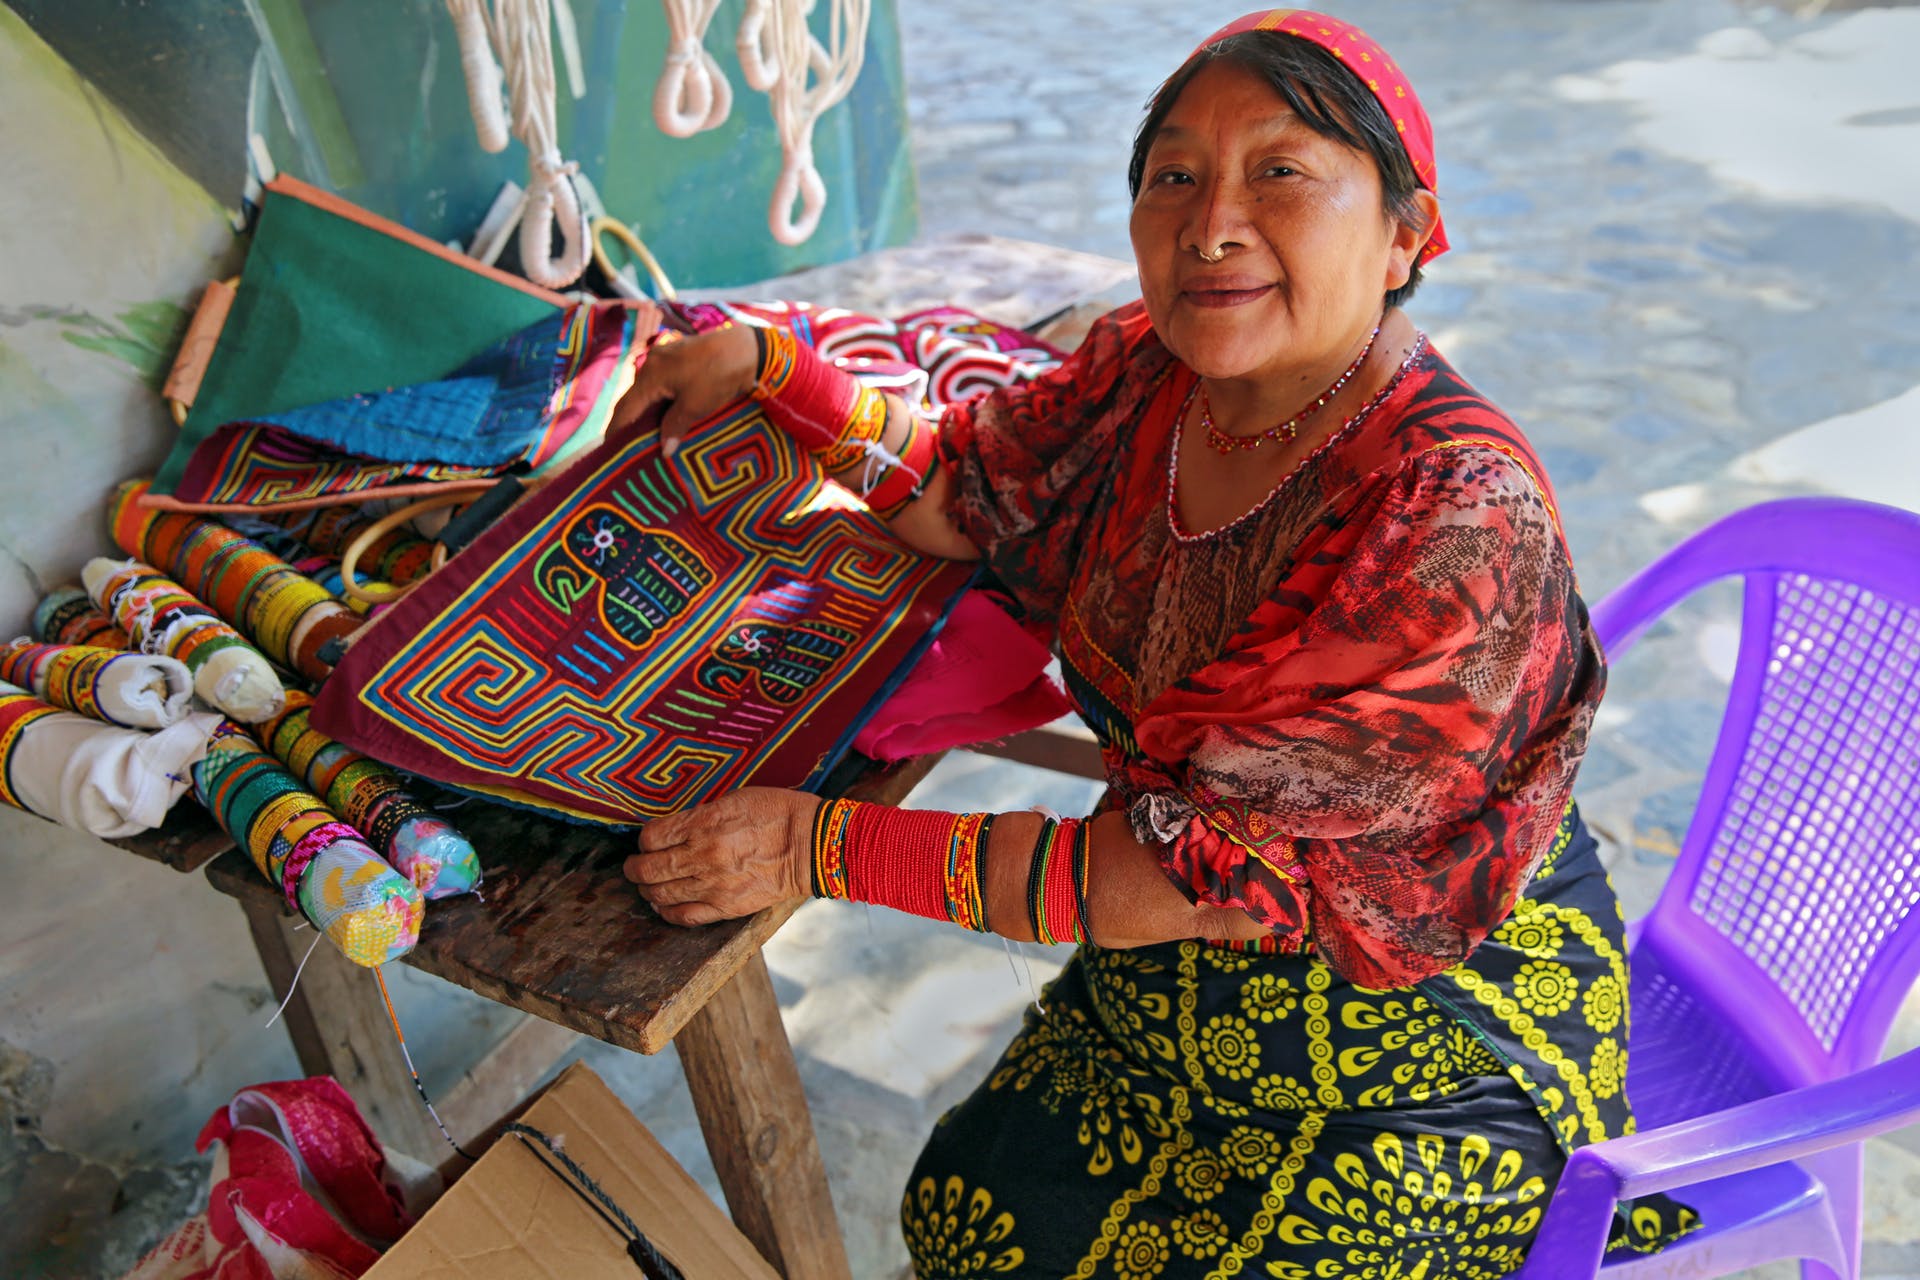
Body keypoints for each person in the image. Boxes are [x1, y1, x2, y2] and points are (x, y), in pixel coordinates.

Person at [614, 10, 1698, 1276]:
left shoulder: (1450, 519)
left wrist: (813, 843)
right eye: (1173, 175)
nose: (1212, 222)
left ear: (1405, 233)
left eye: (1281, 172)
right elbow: (968, 490)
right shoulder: (1151, 378)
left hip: (1425, 1025)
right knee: (963, 1206)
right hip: (1192, 966)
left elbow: (1165, 878)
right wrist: (769, 372)